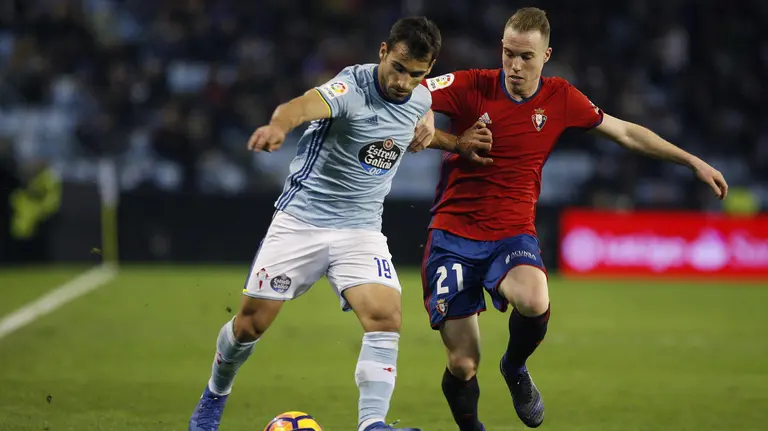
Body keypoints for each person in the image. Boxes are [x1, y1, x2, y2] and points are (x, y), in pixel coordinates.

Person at [416, 7, 728, 430]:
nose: (514, 65)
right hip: (452, 235)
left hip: (511, 234)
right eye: (508, 53)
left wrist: (690, 160)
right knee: (464, 363)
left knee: (535, 298)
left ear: (546, 56)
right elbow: (409, 92)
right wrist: (428, 119)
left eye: (526, 56)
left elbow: (624, 132)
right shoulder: (472, 84)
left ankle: (516, 366)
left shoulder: (560, 98)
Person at [188, 17, 448, 431]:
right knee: (250, 325)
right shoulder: (350, 88)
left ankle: (372, 424)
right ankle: (214, 396)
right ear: (383, 52)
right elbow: (301, 106)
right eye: (398, 67)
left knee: (385, 316)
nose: (403, 81)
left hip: (361, 229)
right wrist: (277, 126)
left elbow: (420, 127)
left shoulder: (420, 100)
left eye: (415, 74)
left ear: (428, 70)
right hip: (302, 221)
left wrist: (455, 140)